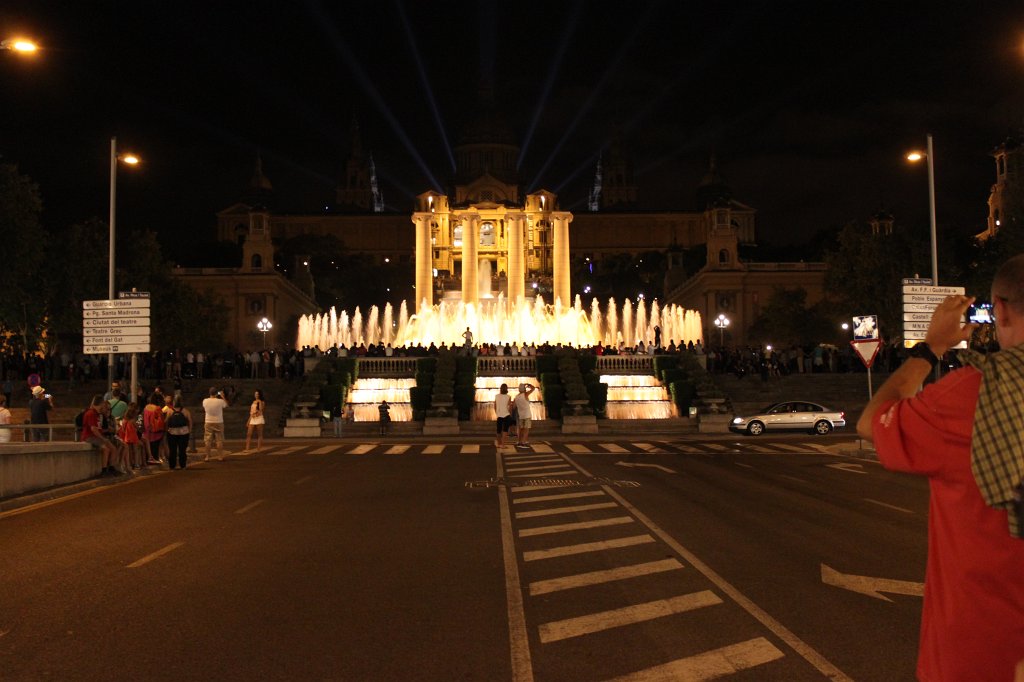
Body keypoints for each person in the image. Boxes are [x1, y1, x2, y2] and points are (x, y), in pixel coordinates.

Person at [857, 256, 1024, 682]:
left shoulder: (972, 394)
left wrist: (930, 348)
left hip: (983, 655)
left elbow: (872, 421)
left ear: (1000, 309)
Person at [81, 395, 118, 476]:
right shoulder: (91, 413)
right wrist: (103, 438)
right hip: (89, 436)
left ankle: (112, 468)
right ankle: (104, 470)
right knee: (106, 448)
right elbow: (93, 429)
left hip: (97, 436)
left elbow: (98, 429)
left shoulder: (97, 414)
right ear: (100, 404)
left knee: (113, 448)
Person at [202, 387, 229, 461]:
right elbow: (226, 405)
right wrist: (223, 396)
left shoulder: (205, 401)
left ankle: (207, 456)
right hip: (218, 421)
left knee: (207, 440)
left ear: (209, 393)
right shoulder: (220, 401)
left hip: (208, 421)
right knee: (219, 440)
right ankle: (220, 456)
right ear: (216, 393)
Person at [165, 396, 192, 469]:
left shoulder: (170, 411)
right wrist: (189, 430)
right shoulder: (185, 411)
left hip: (172, 433)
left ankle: (172, 466)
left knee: (172, 450)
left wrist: (167, 429)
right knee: (182, 450)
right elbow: (189, 421)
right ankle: (183, 465)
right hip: (183, 433)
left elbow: (167, 421)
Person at [142, 393, 166, 466]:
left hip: (147, 430)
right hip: (156, 431)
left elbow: (145, 419)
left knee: (149, 446)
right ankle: (155, 459)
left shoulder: (146, 408)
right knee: (155, 446)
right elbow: (161, 419)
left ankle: (149, 459)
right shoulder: (157, 408)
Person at [514, 383, 536, 449]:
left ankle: (519, 442)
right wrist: (529, 384)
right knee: (526, 429)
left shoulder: (516, 397)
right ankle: (523, 443)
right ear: (524, 389)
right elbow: (533, 388)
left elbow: (514, 406)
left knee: (521, 429)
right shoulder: (525, 394)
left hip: (521, 415)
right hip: (527, 415)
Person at [494, 383, 512, 449]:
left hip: (499, 415)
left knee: (498, 430)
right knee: (505, 430)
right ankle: (503, 444)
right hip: (506, 415)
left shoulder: (496, 396)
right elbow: (509, 407)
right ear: (506, 389)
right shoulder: (508, 396)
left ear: (500, 388)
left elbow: (495, 405)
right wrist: (510, 413)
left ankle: (499, 444)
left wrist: (497, 412)